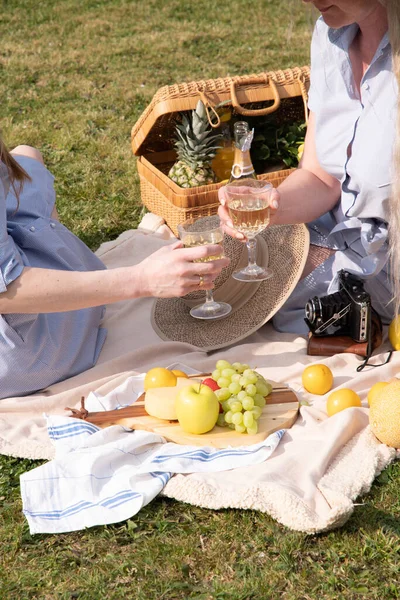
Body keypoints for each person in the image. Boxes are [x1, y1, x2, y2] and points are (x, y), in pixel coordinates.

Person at [219, 0, 400, 334]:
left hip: (391, 259)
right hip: (339, 231)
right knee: (220, 271)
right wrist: (272, 203)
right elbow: (320, 176)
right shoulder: (329, 36)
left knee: (254, 297)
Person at [0, 142, 229, 398]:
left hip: (14, 237)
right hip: (27, 348)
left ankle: (60, 260)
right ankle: (66, 288)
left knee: (27, 155)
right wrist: (143, 279)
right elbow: (6, 291)